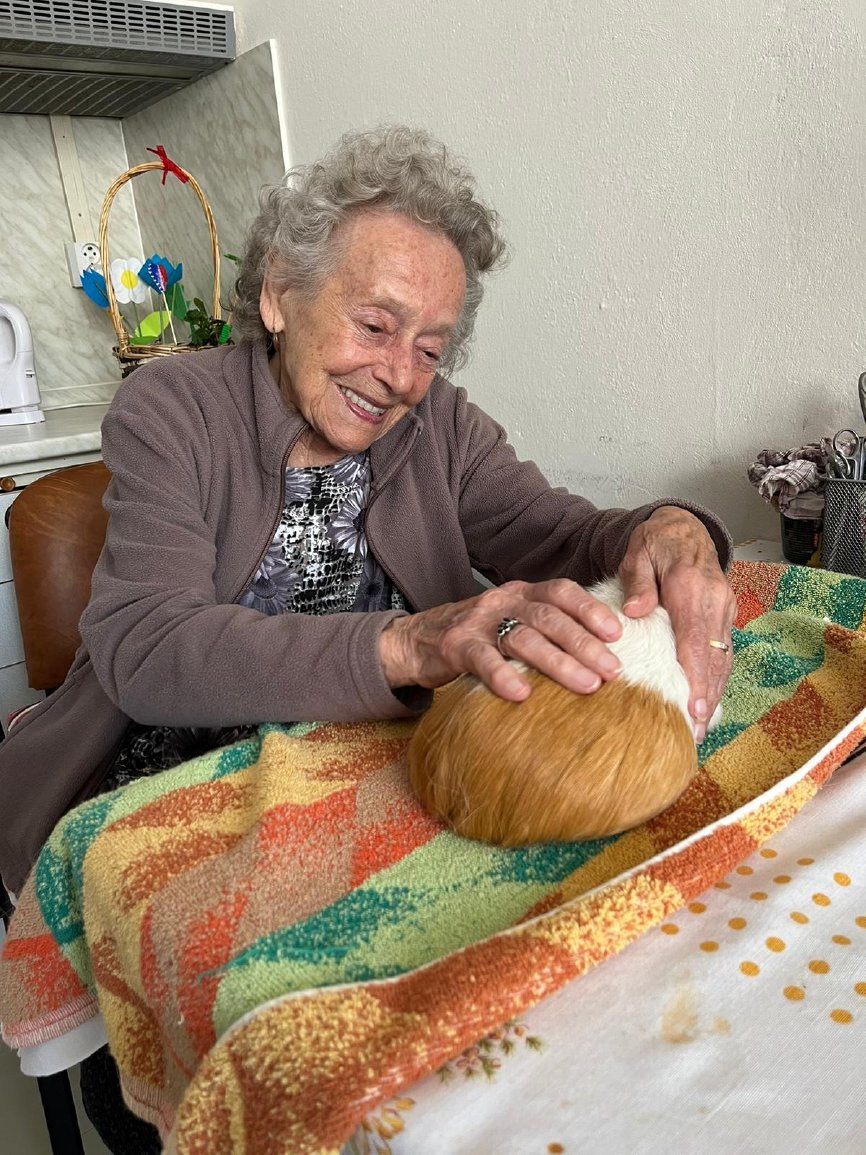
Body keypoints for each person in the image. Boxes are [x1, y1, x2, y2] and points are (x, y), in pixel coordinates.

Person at [0, 125, 735, 1152]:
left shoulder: (441, 427)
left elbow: (568, 535)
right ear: (277, 295)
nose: (398, 375)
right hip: (164, 778)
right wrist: (413, 645)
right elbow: (146, 646)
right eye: (375, 324)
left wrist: (674, 530)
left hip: (357, 777)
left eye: (429, 347)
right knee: (229, 1046)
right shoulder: (172, 406)